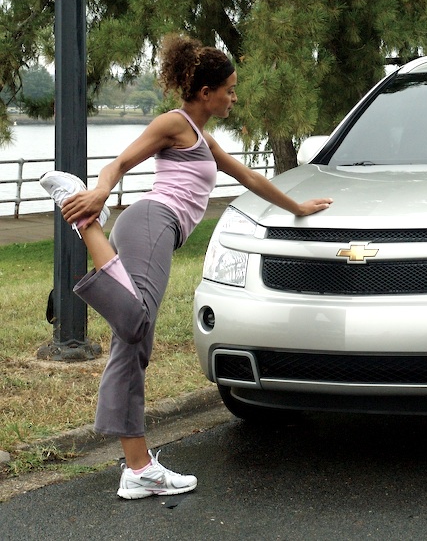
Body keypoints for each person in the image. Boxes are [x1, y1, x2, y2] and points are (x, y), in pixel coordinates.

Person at [40, 33, 333, 499]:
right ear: (205, 92)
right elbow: (121, 161)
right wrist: (97, 192)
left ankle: (137, 467)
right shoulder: (173, 123)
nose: (234, 98)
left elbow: (252, 177)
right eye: (230, 90)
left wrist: (297, 207)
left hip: (154, 230)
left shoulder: (202, 139)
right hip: (152, 221)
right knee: (135, 327)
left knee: (131, 340)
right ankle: (83, 220)